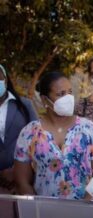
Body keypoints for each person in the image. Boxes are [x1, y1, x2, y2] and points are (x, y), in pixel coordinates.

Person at [14, 71, 93, 200]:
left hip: (87, 209)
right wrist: (38, 209)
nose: (68, 98)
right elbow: (22, 181)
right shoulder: (29, 133)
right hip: (45, 211)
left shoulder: (89, 128)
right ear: (44, 99)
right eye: (60, 94)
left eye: (69, 92)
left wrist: (86, 208)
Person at [0, 64, 37, 218]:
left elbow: (37, 141)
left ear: (5, 79)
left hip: (23, 181)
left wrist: (17, 172)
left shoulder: (24, 105)